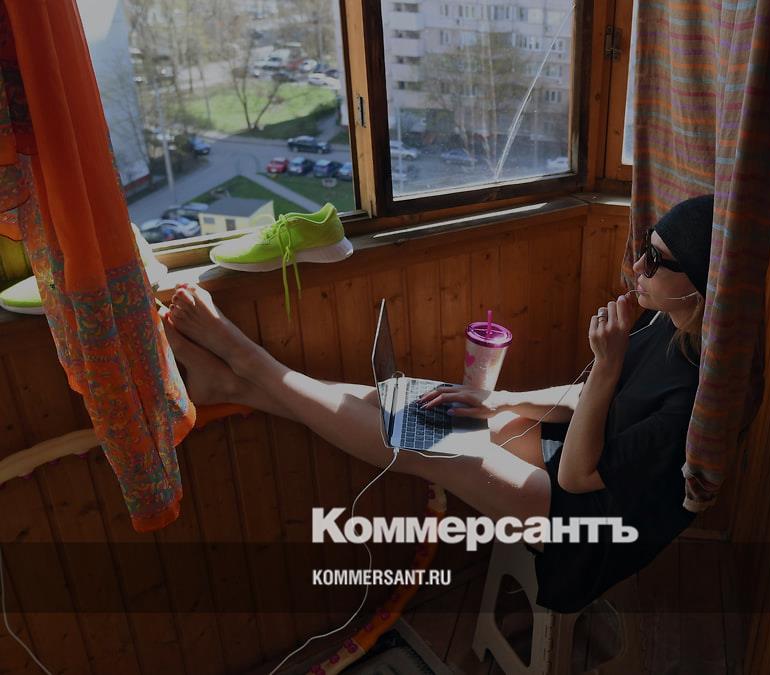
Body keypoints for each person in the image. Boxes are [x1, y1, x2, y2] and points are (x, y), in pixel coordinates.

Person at [163, 193, 715, 612]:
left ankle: (250, 363)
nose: (638, 268)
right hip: (580, 456)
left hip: (591, 525)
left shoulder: (694, 390)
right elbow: (583, 398)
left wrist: (607, 363)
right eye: (644, 250)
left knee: (435, 447)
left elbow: (576, 478)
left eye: (657, 261)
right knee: (422, 405)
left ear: (700, 282)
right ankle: (234, 387)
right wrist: (498, 400)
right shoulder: (667, 321)